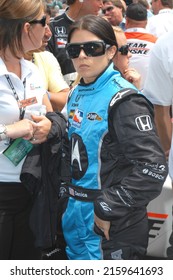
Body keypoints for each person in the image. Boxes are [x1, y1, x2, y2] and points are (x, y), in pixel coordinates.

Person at [60, 14, 168, 260]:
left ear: (110, 51)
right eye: (74, 50)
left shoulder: (125, 99)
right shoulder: (77, 91)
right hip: (76, 214)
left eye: (92, 48)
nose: (83, 56)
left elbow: (153, 168)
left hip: (113, 223)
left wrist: (108, 208)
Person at [0, 0, 60, 260]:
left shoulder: (33, 70)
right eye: (45, 23)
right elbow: (12, 128)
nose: (48, 31)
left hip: (32, 188)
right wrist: (8, 130)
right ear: (27, 27)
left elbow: (52, 115)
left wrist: (48, 126)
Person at [143, 29, 173, 259]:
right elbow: (159, 108)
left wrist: (166, 150)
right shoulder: (165, 44)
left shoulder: (165, 44)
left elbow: (160, 109)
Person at [47, 0, 104, 86]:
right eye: (98, 0)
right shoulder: (51, 28)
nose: (101, 5)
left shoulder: (101, 28)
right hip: (63, 95)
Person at [25, 5, 69, 111]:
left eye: (48, 25)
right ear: (26, 28)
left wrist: (41, 94)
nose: (49, 34)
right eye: (44, 25)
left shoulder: (46, 57)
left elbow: (65, 99)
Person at [125, 3, 157, 90]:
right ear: (146, 22)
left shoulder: (117, 40)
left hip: (120, 91)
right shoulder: (156, 42)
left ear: (126, 21)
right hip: (148, 94)